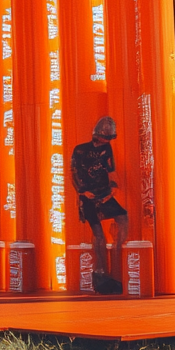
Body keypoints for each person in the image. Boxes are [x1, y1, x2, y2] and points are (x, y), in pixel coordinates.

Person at [70, 116, 129, 293]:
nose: (106, 141)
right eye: (105, 137)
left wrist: (113, 188)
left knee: (122, 217)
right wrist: (81, 191)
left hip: (104, 192)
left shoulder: (107, 149)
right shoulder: (80, 150)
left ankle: (117, 256)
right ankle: (100, 271)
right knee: (98, 233)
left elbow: (111, 170)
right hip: (87, 195)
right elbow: (73, 173)